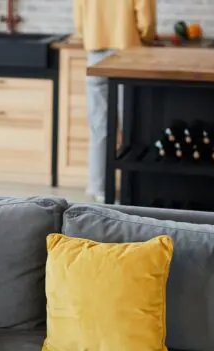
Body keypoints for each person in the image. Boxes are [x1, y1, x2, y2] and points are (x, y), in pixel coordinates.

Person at [74, 0, 157, 201]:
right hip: (128, 52)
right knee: (130, 125)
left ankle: (98, 187)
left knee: (99, 126)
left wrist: (91, 34)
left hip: (95, 51)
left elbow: (79, 21)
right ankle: (130, 190)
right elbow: (146, 21)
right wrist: (145, 37)